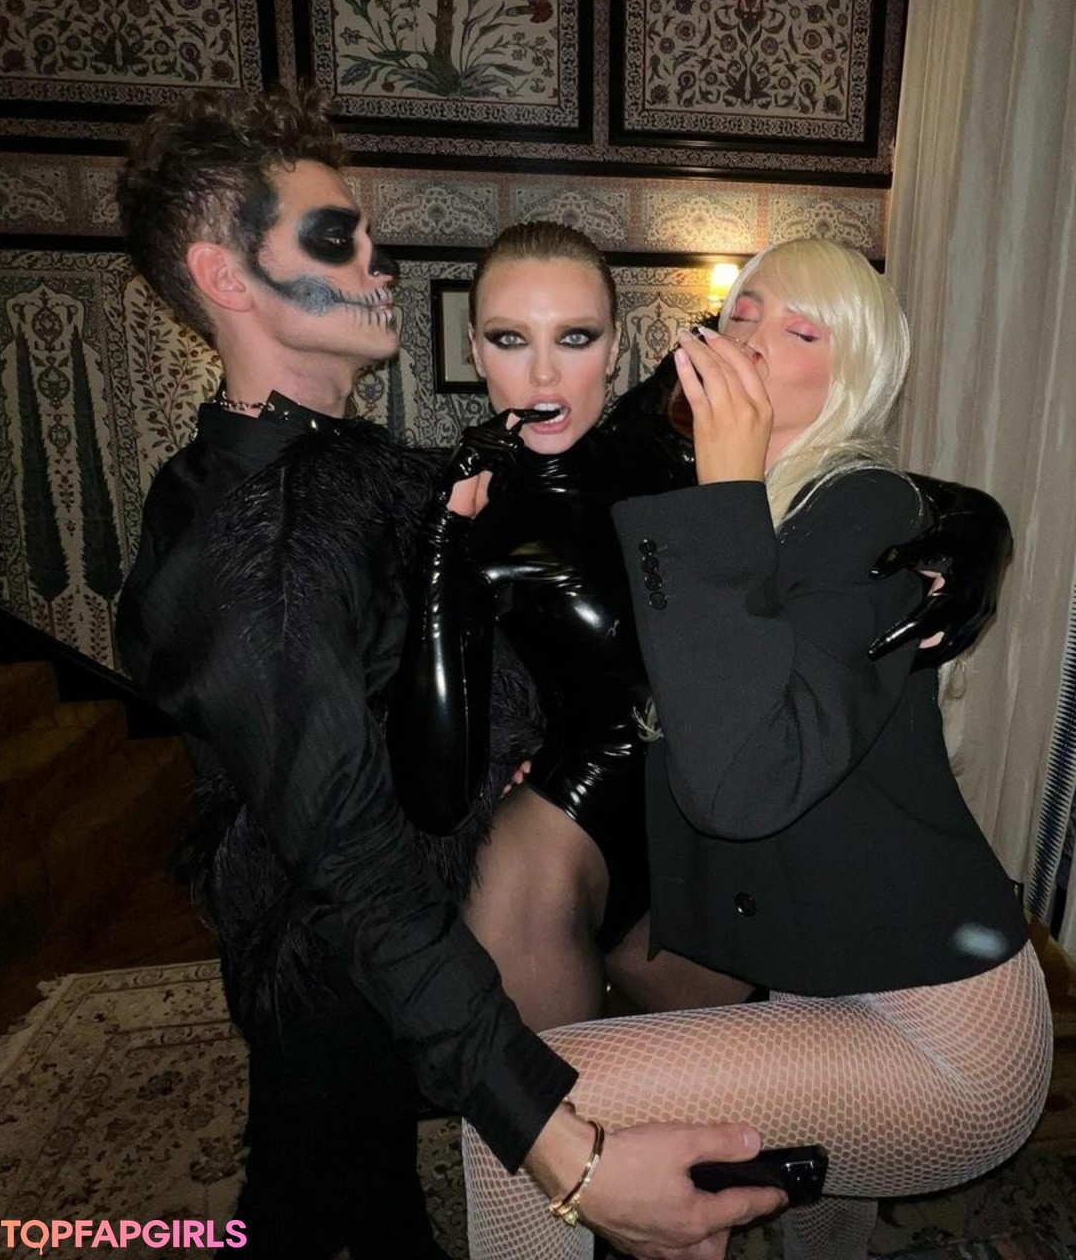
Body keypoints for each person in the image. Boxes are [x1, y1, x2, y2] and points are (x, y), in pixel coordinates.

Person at [113, 85, 787, 1260]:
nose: (377, 259)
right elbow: (356, 876)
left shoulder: (347, 460)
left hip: (427, 954)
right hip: (354, 997)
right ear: (226, 276)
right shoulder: (249, 554)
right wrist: (574, 1160)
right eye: (336, 237)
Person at [458, 237, 1052, 1260]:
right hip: (825, 975)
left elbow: (743, 783)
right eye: (742, 314)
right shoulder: (750, 497)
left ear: (854, 374)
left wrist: (731, 496)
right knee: (820, 1219)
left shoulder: (859, 507)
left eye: (801, 329)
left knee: (521, 1121)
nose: (756, 339)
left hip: (945, 1036)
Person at [389, 220, 1018, 1036]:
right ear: (475, 348)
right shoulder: (466, 512)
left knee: (752, 1078)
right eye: (510, 339)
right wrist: (441, 551)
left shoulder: (678, 441)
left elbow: (837, 474)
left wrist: (978, 529)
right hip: (590, 812)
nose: (543, 373)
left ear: (617, 347)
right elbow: (436, 794)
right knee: (563, 1080)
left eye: (575, 338)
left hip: (708, 827)